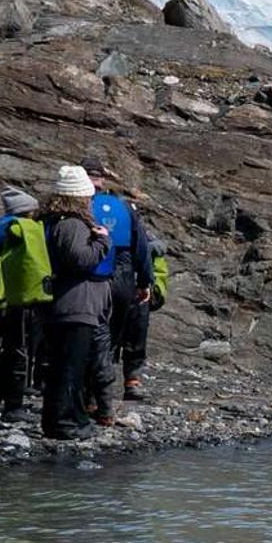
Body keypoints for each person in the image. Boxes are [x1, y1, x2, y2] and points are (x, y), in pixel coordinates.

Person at [37, 165, 113, 441]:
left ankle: (66, 419)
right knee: (70, 367)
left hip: (61, 304)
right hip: (74, 305)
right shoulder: (71, 224)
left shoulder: (52, 221)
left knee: (63, 366)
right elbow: (80, 260)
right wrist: (103, 242)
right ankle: (65, 422)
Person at [86, 157, 156, 403]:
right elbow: (142, 247)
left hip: (90, 276)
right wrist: (145, 281)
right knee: (112, 337)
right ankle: (103, 396)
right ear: (102, 179)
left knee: (91, 336)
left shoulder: (75, 206)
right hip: (123, 278)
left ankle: (92, 396)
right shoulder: (123, 208)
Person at [0, 187, 44, 421]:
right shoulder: (22, 229)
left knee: (7, 349)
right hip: (18, 295)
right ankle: (13, 407)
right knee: (19, 349)